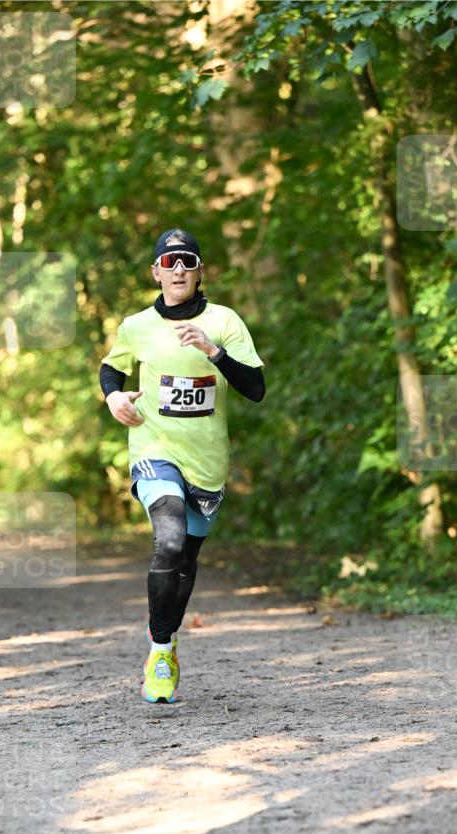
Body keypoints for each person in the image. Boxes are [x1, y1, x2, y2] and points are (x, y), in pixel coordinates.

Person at [99, 228, 265, 704]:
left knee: (185, 561)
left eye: (186, 261)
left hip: (207, 463)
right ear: (155, 273)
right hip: (154, 449)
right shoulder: (137, 325)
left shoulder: (225, 321)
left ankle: (167, 640)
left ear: (199, 271)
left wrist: (213, 351)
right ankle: (159, 652)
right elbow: (112, 366)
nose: (177, 269)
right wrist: (113, 396)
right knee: (167, 539)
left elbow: (255, 388)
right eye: (168, 262)